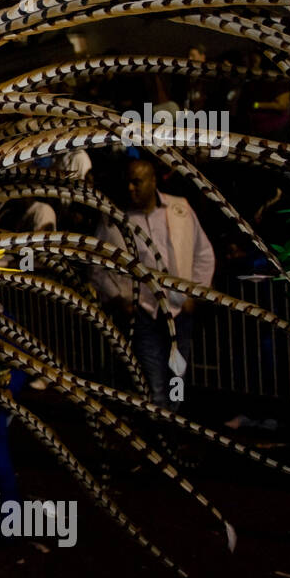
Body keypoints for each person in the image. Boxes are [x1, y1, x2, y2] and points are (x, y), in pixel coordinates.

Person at [92, 158, 215, 409]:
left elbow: (203, 253)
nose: (130, 188)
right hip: (143, 312)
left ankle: (174, 424)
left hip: (178, 309)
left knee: (176, 377)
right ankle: (162, 433)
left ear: (152, 181)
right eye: (128, 182)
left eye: (137, 182)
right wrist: (118, 298)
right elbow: (97, 265)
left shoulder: (179, 209)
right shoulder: (115, 219)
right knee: (153, 382)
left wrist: (196, 292)